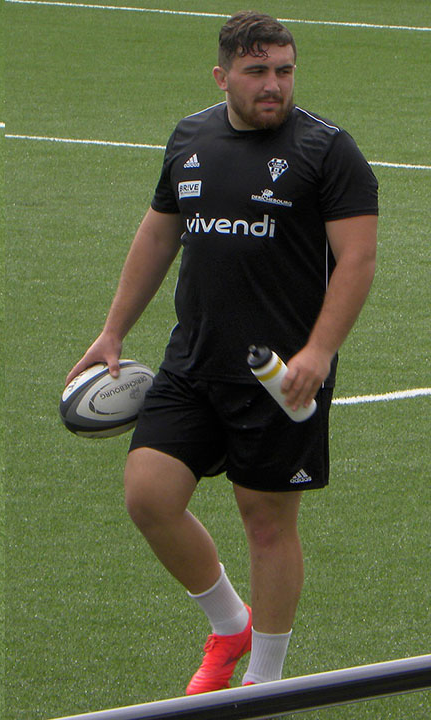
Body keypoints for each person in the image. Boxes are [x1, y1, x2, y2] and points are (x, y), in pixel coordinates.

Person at [66, 11, 377, 693]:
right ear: (222, 75)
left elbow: (357, 260)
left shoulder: (328, 150)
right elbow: (158, 235)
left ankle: (264, 682)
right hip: (193, 358)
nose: (274, 85)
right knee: (148, 495)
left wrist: (320, 351)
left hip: (280, 375)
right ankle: (230, 624)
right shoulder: (191, 137)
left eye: (284, 71)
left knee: (265, 522)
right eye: (257, 71)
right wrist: (113, 330)